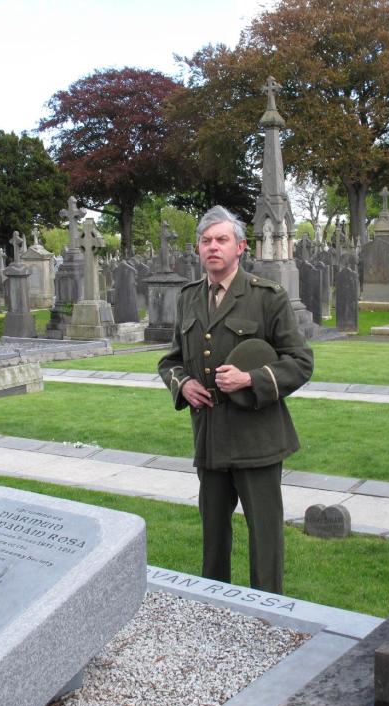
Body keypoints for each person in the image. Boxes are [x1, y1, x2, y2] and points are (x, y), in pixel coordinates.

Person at [158, 206, 313, 593]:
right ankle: (216, 608)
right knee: (213, 538)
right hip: (210, 438)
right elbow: (171, 360)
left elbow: (301, 362)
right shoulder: (189, 298)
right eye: (206, 241)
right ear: (198, 249)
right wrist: (183, 385)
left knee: (264, 538)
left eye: (222, 240)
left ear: (240, 247)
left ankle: (267, 616)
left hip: (256, 440)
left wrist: (251, 378)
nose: (213, 247)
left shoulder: (267, 297)